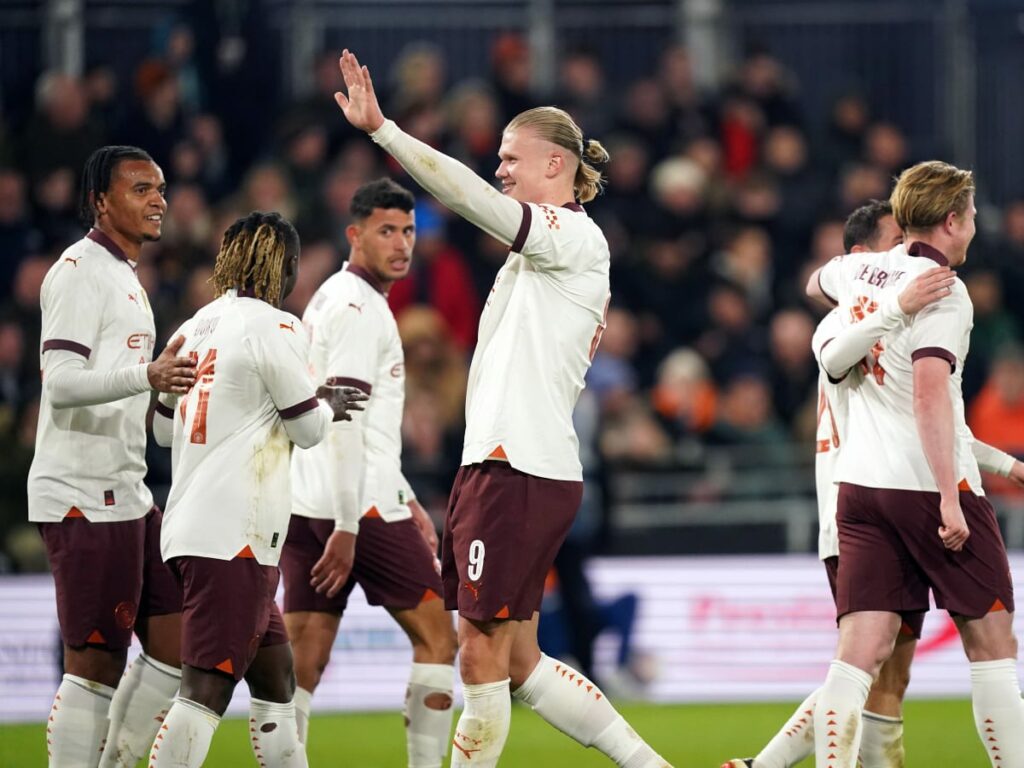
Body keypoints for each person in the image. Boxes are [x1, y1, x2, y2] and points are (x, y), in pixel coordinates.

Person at [334, 49, 670, 767]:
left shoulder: (572, 236)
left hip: (515, 465)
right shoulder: (546, 254)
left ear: (556, 164)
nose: (501, 170)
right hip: (512, 464)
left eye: (511, 157)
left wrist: (386, 133)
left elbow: (471, 199)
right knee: (517, 660)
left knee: (479, 652)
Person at [723, 200, 1024, 768]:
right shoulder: (845, 323)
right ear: (860, 258)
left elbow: (937, 424)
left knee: (887, 668)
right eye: (892, 246)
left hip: (873, 492)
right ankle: (766, 765)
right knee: (877, 663)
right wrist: (893, 306)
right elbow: (852, 366)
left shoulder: (886, 314)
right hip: (863, 503)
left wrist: (1008, 467)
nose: (903, 258)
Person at [148, 211, 366, 768]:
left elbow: (161, 427)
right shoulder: (278, 326)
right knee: (205, 690)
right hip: (236, 535)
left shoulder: (193, 325)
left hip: (189, 527)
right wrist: (326, 404)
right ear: (286, 267)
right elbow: (310, 431)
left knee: (277, 681)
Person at [28, 145, 196, 768]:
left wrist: (175, 396)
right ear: (101, 200)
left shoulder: (127, 276)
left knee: (177, 641)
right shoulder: (78, 270)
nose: (158, 200)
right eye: (140, 189)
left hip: (128, 491)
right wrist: (146, 374)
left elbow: (144, 413)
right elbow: (61, 382)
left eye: (160, 188)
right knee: (95, 665)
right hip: (81, 490)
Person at [283, 178, 458, 767]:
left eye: (409, 231)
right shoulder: (362, 310)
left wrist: (408, 496)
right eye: (387, 230)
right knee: (439, 640)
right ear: (354, 235)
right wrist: (352, 524)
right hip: (356, 508)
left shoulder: (332, 296)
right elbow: (348, 422)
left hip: (307, 499)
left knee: (303, 659)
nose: (401, 243)